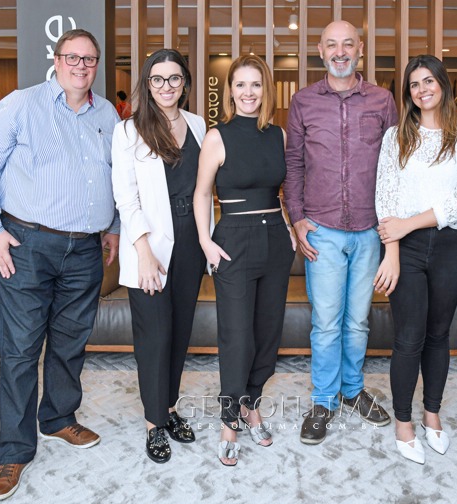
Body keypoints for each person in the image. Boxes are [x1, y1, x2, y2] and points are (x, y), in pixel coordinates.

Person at [0, 29, 120, 502]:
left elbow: (115, 175)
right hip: (27, 244)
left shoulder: (107, 113)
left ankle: (58, 418)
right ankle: (14, 450)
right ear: (56, 59)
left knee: (71, 342)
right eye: (72, 57)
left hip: (85, 249)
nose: (81, 66)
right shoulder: (21, 104)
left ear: (97, 65)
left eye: (89, 59)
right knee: (19, 350)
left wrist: (112, 225)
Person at [284, 20, 397, 445]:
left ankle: (352, 390)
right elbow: (294, 163)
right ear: (320, 51)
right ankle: (323, 400)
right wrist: (297, 218)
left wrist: (391, 232)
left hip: (369, 231)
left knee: (358, 321)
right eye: (332, 44)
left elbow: (394, 167)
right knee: (327, 323)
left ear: (360, 49)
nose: (340, 52)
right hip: (323, 231)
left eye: (348, 44)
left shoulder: (383, 100)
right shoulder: (303, 101)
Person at [374, 55, 457, 465]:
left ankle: (432, 413)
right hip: (403, 247)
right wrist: (392, 249)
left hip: (450, 245)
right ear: (408, 92)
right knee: (409, 337)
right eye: (414, 84)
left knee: (439, 334)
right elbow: (384, 194)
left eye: (428, 81)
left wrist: (407, 224)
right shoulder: (396, 137)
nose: (422, 90)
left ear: (443, 84)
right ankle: (403, 421)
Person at [194, 54, 296, 466]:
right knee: (237, 336)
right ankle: (228, 422)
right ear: (230, 91)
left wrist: (289, 227)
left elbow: (281, 191)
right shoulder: (217, 137)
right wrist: (205, 241)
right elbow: (202, 193)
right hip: (233, 239)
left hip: (275, 240)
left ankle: (251, 406)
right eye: (240, 85)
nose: (248, 92)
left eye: (255, 84)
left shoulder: (279, 135)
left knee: (267, 332)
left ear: (264, 89)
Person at [111, 49, 206, 464]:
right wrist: (144, 252)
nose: (166, 86)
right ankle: (154, 424)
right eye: (157, 79)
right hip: (148, 245)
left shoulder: (198, 125)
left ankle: (169, 408)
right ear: (147, 85)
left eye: (174, 78)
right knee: (155, 337)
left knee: (181, 332)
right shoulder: (128, 131)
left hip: (190, 242)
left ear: (185, 83)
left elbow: (205, 189)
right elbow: (126, 198)